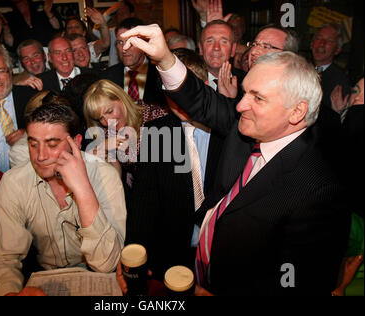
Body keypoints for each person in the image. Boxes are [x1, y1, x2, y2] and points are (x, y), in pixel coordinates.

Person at [120, 24, 350, 295]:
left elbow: (296, 284)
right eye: (245, 92)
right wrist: (164, 58)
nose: (240, 105)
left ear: (296, 112)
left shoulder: (319, 191)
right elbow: (202, 101)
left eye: (258, 98)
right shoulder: (248, 126)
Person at [0, 103, 126, 296]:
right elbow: (2, 260)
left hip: (97, 278)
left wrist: (82, 190)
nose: (40, 156)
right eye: (33, 144)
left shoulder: (105, 176)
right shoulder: (14, 183)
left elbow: (106, 263)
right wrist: (8, 294)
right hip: (42, 278)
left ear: (76, 141)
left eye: (52, 144)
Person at [124, 51, 223, 282]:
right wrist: (134, 256)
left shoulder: (229, 130)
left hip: (224, 255)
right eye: (170, 92)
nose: (179, 102)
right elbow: (143, 202)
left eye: (185, 91)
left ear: (206, 86)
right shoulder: (158, 131)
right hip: (171, 257)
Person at [84, 79, 168, 189]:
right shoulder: (107, 132)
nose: (108, 121)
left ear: (121, 99)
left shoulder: (155, 115)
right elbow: (114, 178)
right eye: (100, 118)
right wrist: (102, 147)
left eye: (109, 111)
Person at [103, 18, 167, 106]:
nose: (124, 48)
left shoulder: (161, 74)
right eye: (120, 42)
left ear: (144, 43)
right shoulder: (108, 78)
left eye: (131, 42)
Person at [198, 20, 245, 98]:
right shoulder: (190, 83)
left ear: (233, 50)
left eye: (224, 42)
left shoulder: (246, 82)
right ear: (201, 48)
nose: (216, 47)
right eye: (210, 41)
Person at [311, 23, 350, 110]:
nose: (322, 43)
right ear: (312, 44)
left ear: (337, 50)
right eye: (319, 38)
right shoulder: (299, 69)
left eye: (330, 40)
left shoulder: (340, 81)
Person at [93, 0, 136, 67]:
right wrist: (109, 12)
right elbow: (95, 31)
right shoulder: (113, 32)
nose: (120, 16)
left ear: (132, 14)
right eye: (118, 14)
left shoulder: (138, 32)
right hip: (114, 72)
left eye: (123, 13)